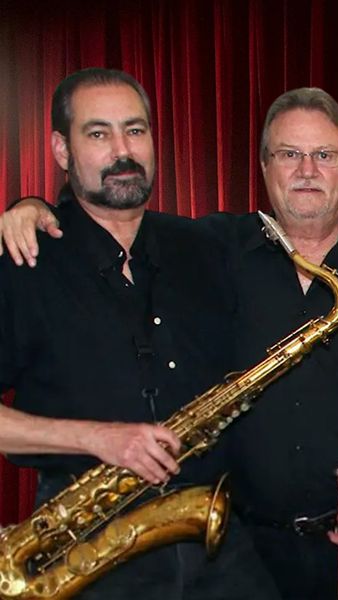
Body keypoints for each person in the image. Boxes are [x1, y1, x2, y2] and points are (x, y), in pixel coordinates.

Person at [0, 87, 338, 600]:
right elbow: (111, 215)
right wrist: (30, 209)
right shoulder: (209, 248)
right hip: (248, 549)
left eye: (325, 155)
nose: (307, 171)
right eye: (289, 154)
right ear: (264, 167)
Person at [0, 67, 277, 599]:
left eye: (135, 130)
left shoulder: (204, 246)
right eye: (98, 133)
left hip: (215, 541)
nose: (123, 150)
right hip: (86, 549)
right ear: (61, 150)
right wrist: (95, 438)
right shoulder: (24, 261)